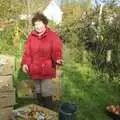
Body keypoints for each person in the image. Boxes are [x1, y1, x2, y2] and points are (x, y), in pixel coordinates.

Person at [21, 12, 63, 109]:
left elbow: (56, 50)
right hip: (35, 69)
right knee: (38, 91)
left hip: (47, 69)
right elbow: (27, 53)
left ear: (44, 24)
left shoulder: (52, 36)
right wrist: (25, 64)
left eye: (40, 24)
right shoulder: (31, 37)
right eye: (35, 24)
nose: (38, 26)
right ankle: (40, 108)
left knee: (46, 92)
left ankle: (50, 112)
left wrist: (58, 59)